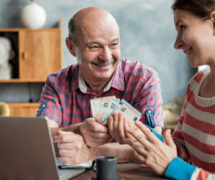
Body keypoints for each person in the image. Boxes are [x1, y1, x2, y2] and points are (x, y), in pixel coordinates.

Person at [125, 0, 215, 179]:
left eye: (183, 27)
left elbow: (175, 165)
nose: (177, 43)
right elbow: (182, 149)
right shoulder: (197, 83)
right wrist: (141, 136)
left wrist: (174, 168)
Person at [37, 7, 163, 164]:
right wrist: (78, 129)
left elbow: (154, 147)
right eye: (94, 46)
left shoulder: (144, 80)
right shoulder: (57, 83)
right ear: (71, 47)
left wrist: (91, 153)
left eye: (113, 44)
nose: (106, 56)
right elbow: (40, 138)